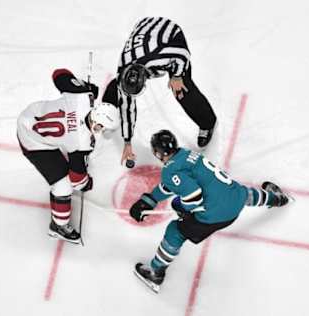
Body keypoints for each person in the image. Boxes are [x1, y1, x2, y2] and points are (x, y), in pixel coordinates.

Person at [129, 130, 291, 292]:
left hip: (217, 215)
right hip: (235, 198)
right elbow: (173, 184)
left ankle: (155, 273)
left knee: (175, 231)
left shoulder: (170, 171)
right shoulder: (186, 154)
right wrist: (150, 200)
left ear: (157, 153)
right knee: (240, 193)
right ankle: (277, 198)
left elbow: (193, 195)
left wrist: (184, 209)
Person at [17, 68, 120, 244]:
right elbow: (76, 180)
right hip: (33, 142)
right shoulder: (83, 144)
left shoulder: (82, 95)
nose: (101, 132)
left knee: (67, 149)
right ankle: (58, 227)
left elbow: (59, 74)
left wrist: (84, 86)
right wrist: (87, 183)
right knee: (63, 186)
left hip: (29, 114)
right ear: (97, 124)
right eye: (102, 129)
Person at [102, 17, 218, 166]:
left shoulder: (157, 59)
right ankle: (106, 112)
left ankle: (207, 122)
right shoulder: (122, 69)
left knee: (182, 90)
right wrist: (127, 141)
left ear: (145, 75)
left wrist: (177, 76)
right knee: (117, 89)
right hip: (144, 28)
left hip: (170, 36)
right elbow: (127, 108)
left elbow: (182, 54)